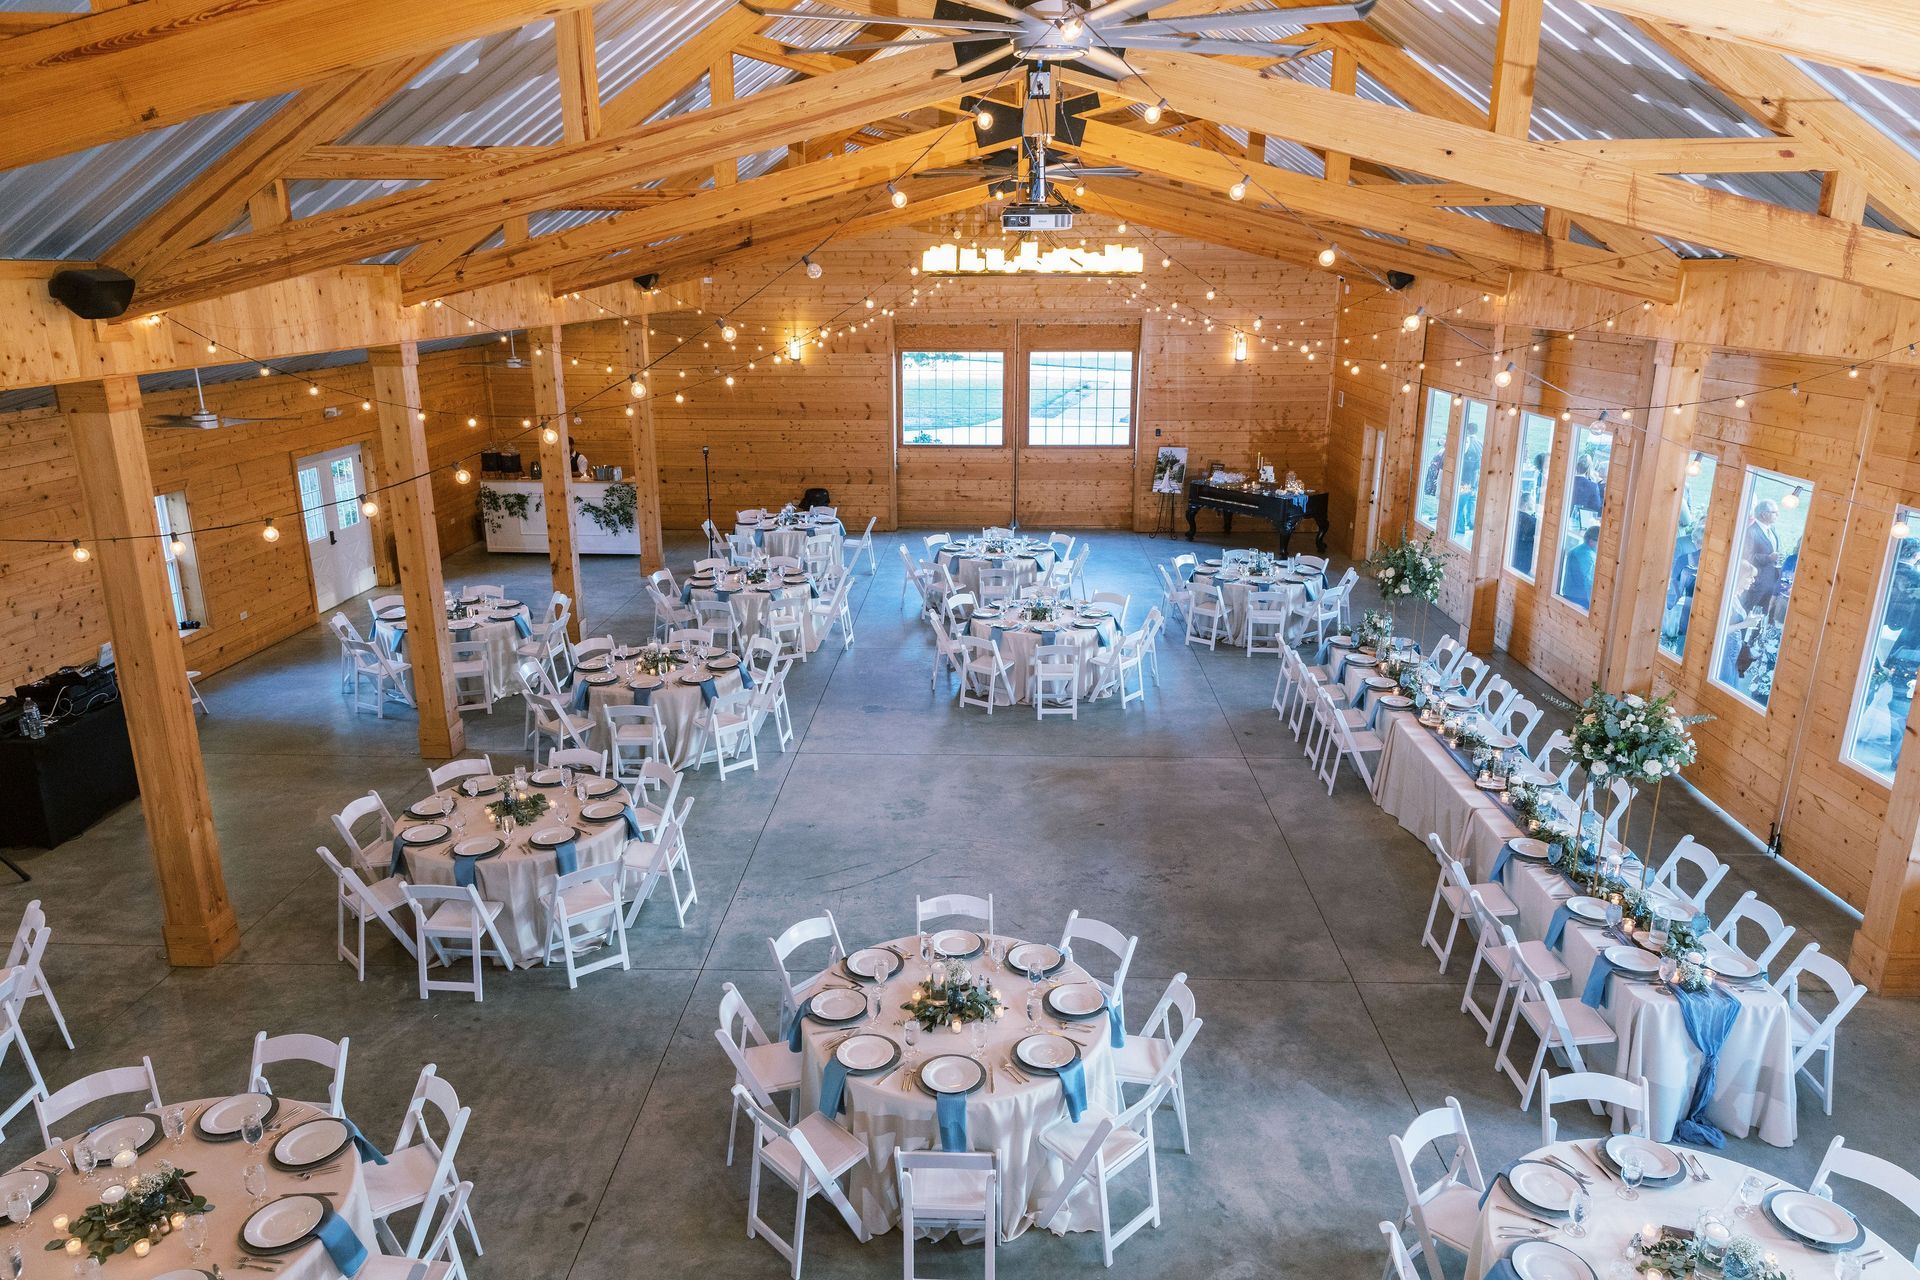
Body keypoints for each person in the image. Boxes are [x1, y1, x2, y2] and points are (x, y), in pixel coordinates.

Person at [1740, 498, 1785, 614]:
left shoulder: (1773, 529)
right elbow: (1746, 557)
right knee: (1749, 613)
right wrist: (1768, 558)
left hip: (1771, 582)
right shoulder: (1751, 532)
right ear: (1764, 514)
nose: (1778, 515)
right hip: (1756, 584)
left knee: (1762, 617)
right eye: (1774, 512)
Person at [1560, 525, 1599, 609]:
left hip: (1568, 594)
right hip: (1579, 600)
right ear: (1592, 541)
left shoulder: (1577, 550)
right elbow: (1589, 582)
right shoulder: (1587, 556)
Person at [1570, 455, 1605, 522]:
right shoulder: (1593, 486)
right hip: (1582, 521)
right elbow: (1596, 507)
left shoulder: (1567, 482)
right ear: (1589, 468)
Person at [1511, 496, 1538, 572]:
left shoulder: (1513, 515)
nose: (1534, 506)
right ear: (1526, 505)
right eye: (1533, 504)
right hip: (1524, 559)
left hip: (1513, 555)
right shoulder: (1532, 521)